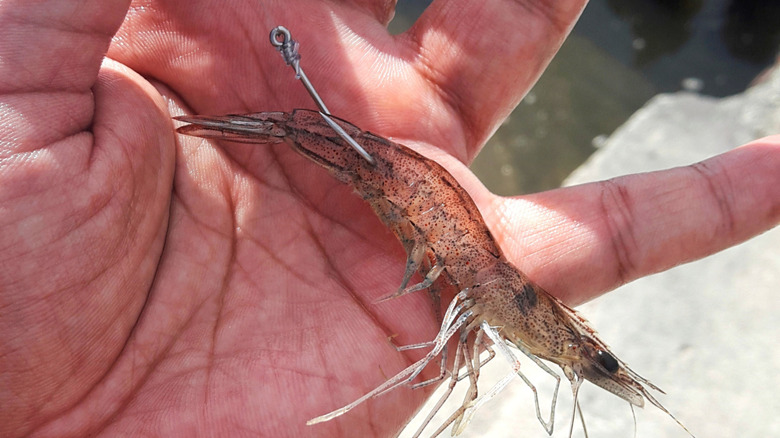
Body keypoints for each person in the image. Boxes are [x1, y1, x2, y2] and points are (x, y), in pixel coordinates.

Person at [1, 1, 778, 437]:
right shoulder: (499, 292)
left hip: (432, 220)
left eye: (596, 360)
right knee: (309, 135)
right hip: (390, 186)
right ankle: (259, 125)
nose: (590, 364)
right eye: (594, 359)